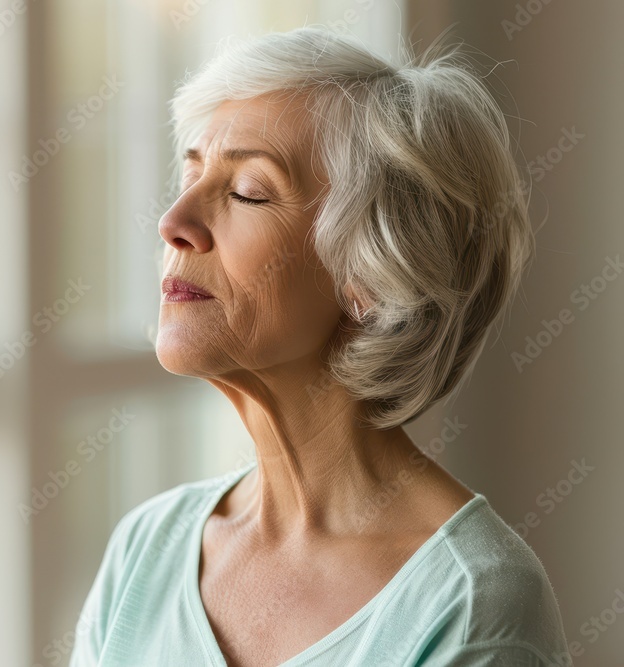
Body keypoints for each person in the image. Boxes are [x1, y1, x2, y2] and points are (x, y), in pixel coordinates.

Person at [70, 26, 570, 667]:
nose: (175, 222)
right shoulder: (148, 546)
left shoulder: (474, 603)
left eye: (248, 191)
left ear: (372, 273)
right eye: (191, 174)